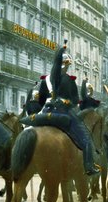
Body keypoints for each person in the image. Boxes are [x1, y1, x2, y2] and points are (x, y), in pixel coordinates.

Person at [37, 41, 100, 176]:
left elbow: (41, 100)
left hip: (47, 110)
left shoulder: (48, 79)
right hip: (65, 112)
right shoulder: (68, 80)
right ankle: (88, 166)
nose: (67, 67)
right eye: (67, 64)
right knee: (87, 139)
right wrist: (68, 102)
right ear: (64, 64)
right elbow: (76, 100)